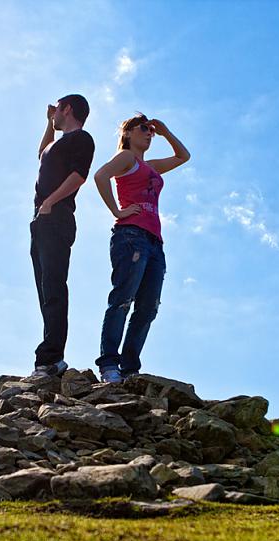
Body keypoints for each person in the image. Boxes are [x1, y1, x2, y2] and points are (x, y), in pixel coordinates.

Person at [93, 113, 190, 383]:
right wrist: (117, 211)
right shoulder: (127, 158)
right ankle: (110, 365)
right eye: (143, 129)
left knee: (148, 308)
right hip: (131, 236)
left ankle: (130, 368)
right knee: (123, 298)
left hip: (154, 242)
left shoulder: (152, 166)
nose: (149, 133)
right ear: (128, 133)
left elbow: (183, 157)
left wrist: (166, 130)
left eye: (150, 130)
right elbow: (100, 176)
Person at [30, 94, 95, 377]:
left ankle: (51, 359)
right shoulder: (57, 144)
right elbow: (43, 153)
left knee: (54, 287)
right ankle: (49, 355)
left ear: (67, 109)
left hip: (56, 217)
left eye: (56, 108)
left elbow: (79, 175)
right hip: (41, 220)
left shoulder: (82, 139)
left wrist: (51, 202)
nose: (53, 112)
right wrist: (48, 123)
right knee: (45, 289)